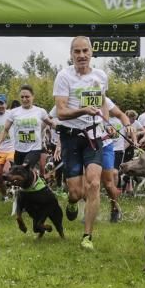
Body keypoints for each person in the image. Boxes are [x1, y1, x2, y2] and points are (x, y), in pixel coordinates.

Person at [53, 36, 109, 251]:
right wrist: (83, 110)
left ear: (92, 52)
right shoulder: (63, 76)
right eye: (77, 52)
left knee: (94, 183)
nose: (82, 55)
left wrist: (105, 122)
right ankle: (72, 201)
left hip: (93, 137)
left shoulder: (100, 76)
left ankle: (87, 236)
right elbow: (61, 112)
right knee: (76, 192)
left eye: (85, 51)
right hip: (70, 136)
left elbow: (102, 100)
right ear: (71, 54)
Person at [0, 85, 50, 173]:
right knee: (20, 174)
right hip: (19, 150)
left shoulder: (40, 111)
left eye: (27, 97)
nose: (24, 99)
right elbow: (5, 129)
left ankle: (40, 185)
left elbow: (51, 123)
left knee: (24, 169)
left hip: (34, 149)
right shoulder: (14, 112)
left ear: (33, 96)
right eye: (22, 97)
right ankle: (38, 183)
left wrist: (63, 128)